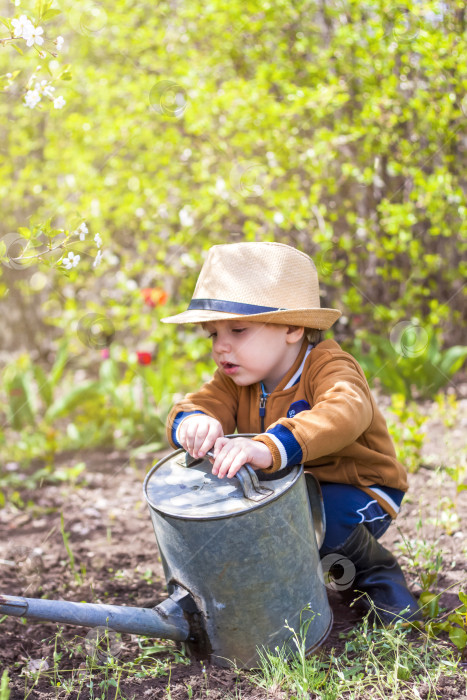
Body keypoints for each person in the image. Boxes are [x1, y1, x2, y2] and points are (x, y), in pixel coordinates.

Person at [161, 241, 421, 624]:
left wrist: (273, 445)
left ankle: (381, 587)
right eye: (212, 334)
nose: (222, 346)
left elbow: (346, 410)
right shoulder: (235, 380)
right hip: (289, 494)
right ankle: (272, 598)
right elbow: (195, 404)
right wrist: (193, 421)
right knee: (257, 531)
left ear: (293, 327)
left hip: (357, 486)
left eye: (237, 329)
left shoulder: (327, 365)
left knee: (321, 526)